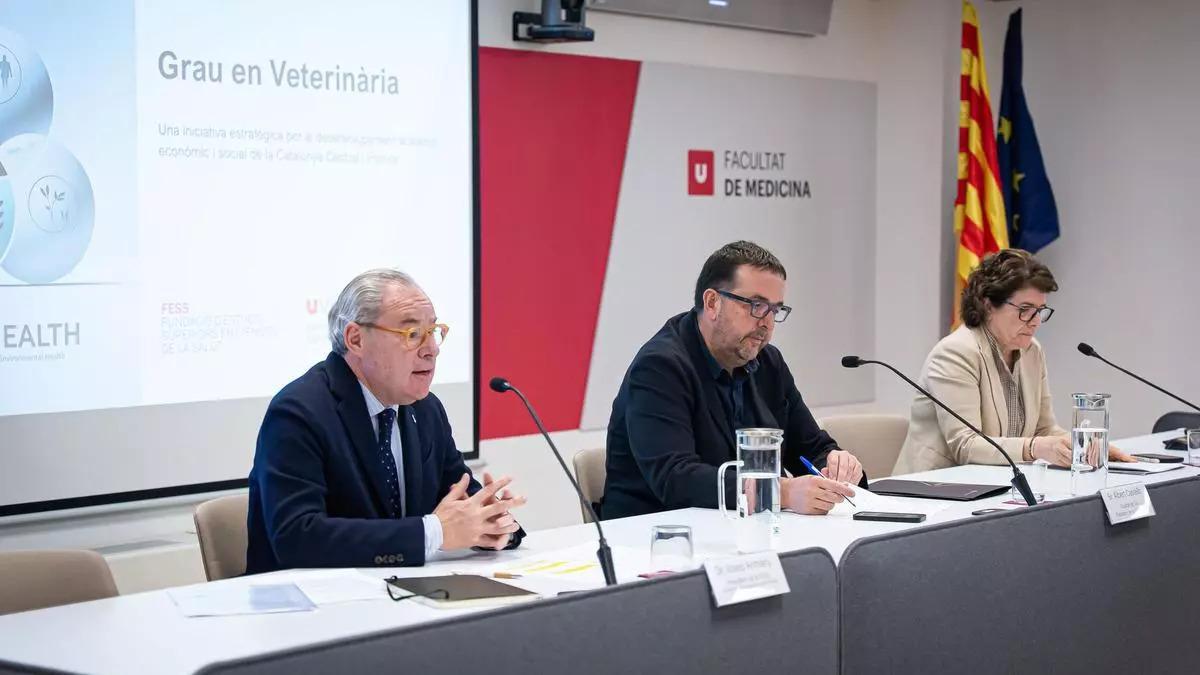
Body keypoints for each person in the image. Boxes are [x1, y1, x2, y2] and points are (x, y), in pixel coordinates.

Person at [246, 269, 525, 574]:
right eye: (412, 334)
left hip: (402, 597)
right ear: (356, 339)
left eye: (433, 331)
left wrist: (494, 524)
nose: (432, 349)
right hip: (311, 608)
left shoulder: (425, 409)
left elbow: (459, 496)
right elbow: (297, 537)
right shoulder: (299, 412)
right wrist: (432, 533)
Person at [602, 241, 865, 520]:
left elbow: (812, 446)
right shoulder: (660, 366)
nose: (766, 322)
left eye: (775, 310)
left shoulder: (768, 363)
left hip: (745, 532)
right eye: (756, 305)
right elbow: (676, 478)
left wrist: (835, 465)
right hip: (657, 539)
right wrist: (782, 492)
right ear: (713, 303)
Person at [893, 249, 1134, 474]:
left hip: (995, 486)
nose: (1035, 321)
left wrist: (1086, 446)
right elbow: (966, 445)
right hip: (933, 492)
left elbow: (1044, 429)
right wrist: (1035, 448)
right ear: (988, 305)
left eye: (1040, 310)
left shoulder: (1031, 351)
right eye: (1025, 309)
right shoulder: (955, 353)